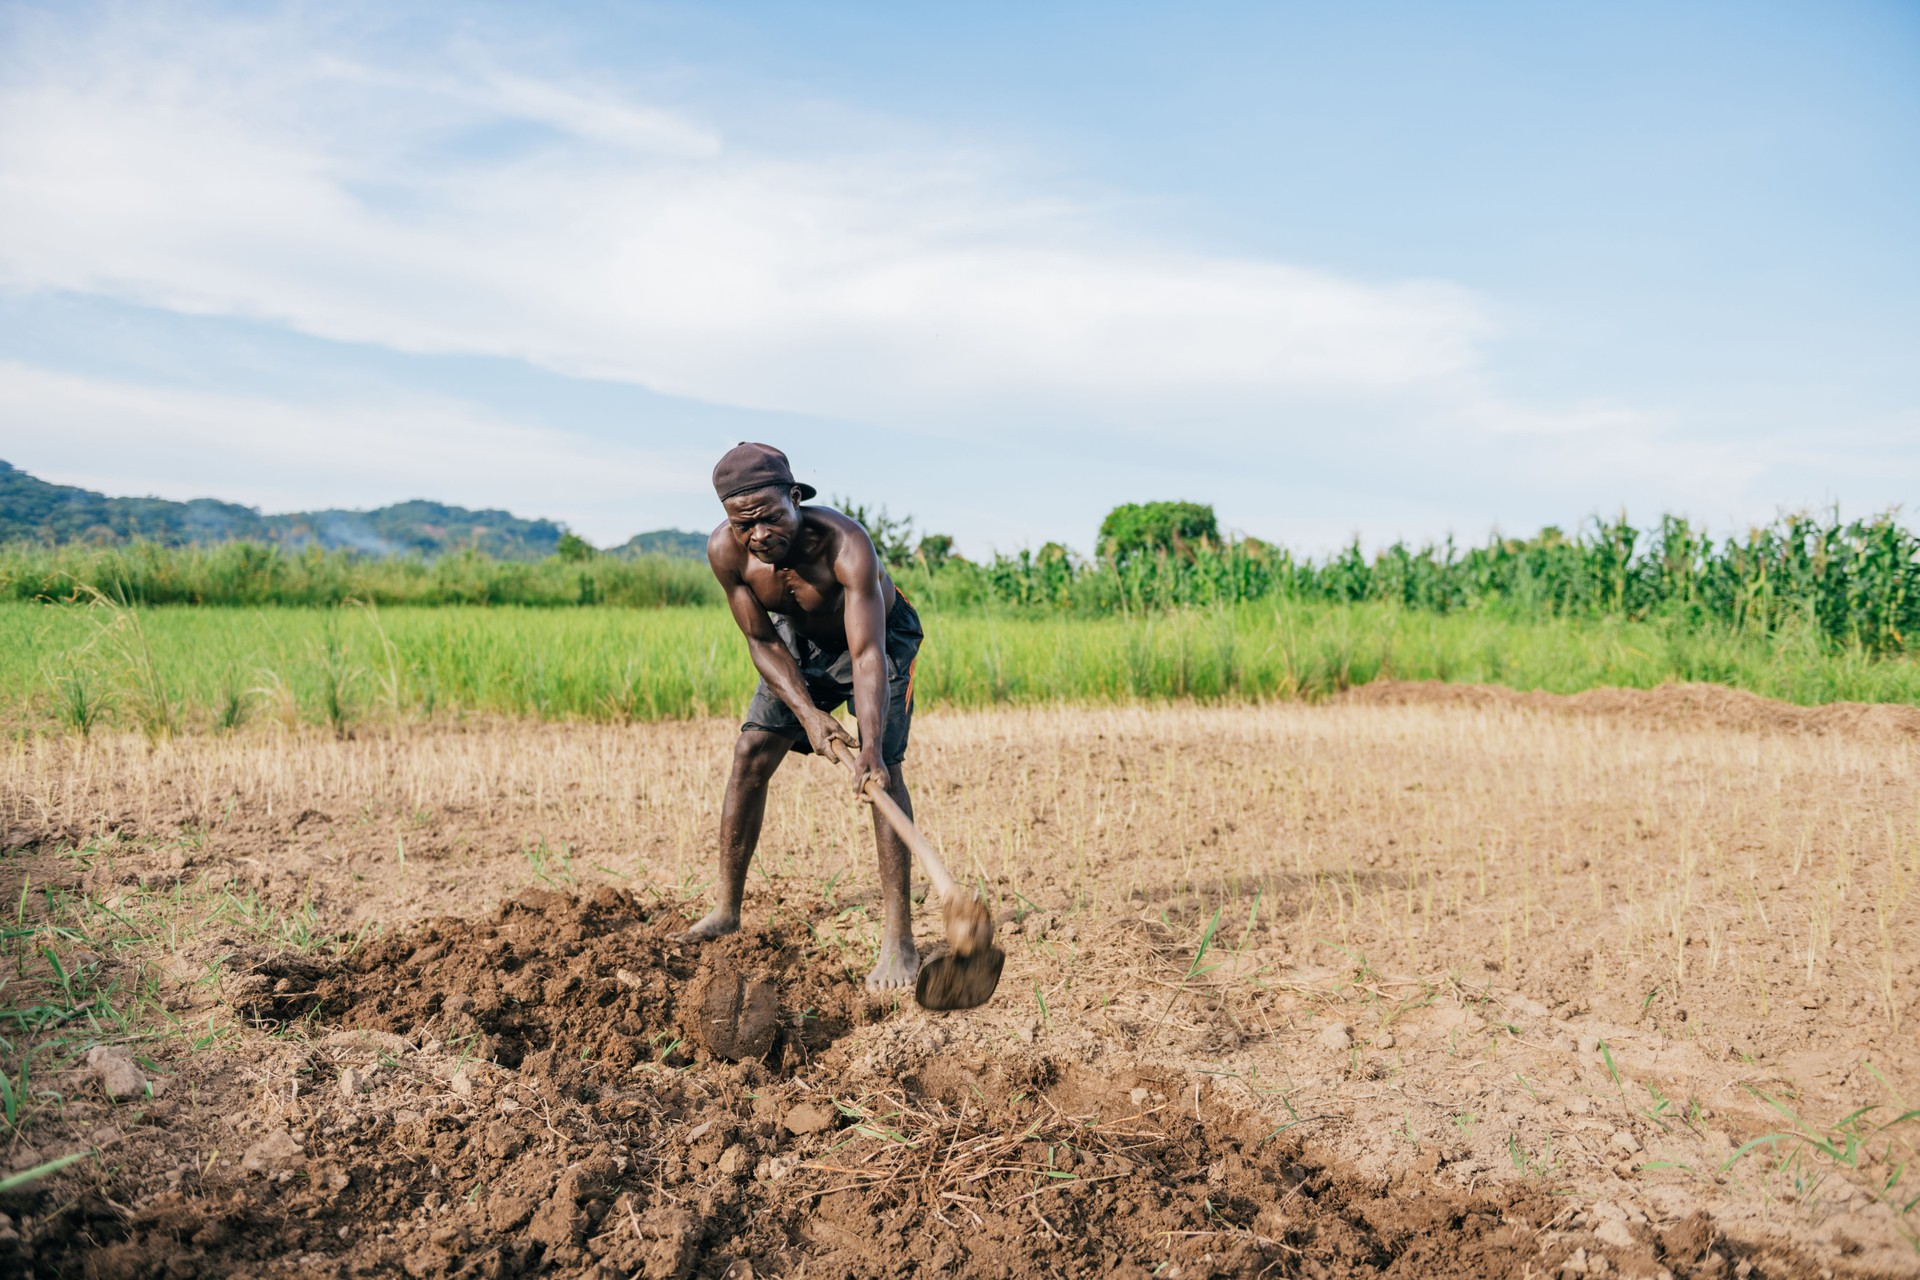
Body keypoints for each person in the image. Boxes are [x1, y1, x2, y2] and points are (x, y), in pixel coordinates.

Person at [679, 443, 925, 990]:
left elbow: (866, 655)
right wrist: (810, 715)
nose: (759, 535)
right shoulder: (727, 552)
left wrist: (867, 747)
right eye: (745, 525)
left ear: (796, 498)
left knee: (881, 765)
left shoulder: (846, 544)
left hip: (876, 642)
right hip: (798, 643)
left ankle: (898, 940)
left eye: (769, 517)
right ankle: (725, 910)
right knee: (750, 752)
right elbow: (762, 641)